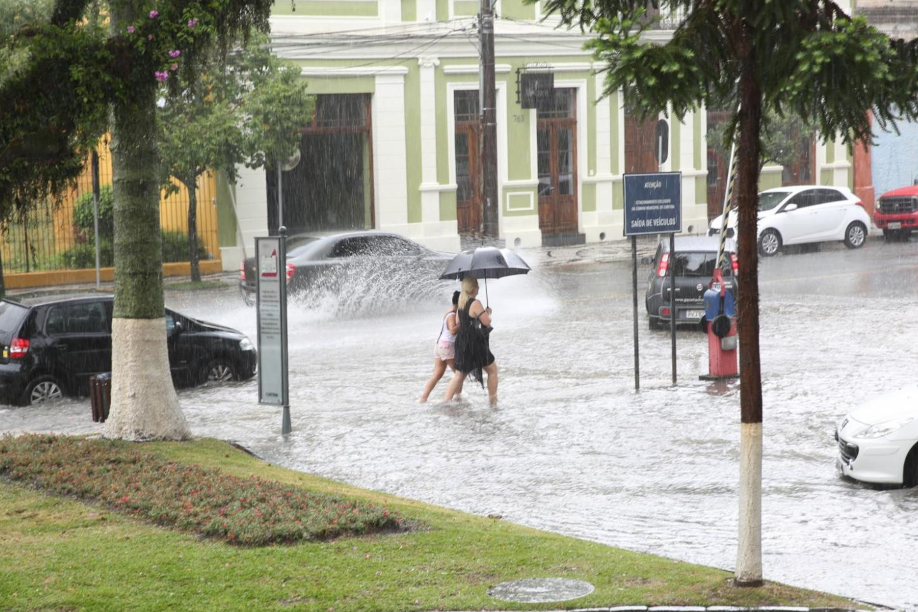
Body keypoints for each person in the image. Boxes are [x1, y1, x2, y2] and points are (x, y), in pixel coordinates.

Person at [444, 277, 498, 405]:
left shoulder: (461, 303)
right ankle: (493, 401)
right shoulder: (475, 303)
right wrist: (488, 313)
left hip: (461, 341)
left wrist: (478, 316)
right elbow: (486, 322)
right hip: (474, 342)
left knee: (460, 374)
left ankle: (446, 401)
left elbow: (459, 322)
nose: (479, 288)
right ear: (473, 288)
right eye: (477, 285)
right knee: (492, 370)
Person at [419, 291, 463, 403]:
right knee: (459, 373)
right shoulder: (453, 314)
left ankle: (423, 398)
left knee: (437, 374)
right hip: (447, 346)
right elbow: (452, 330)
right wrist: (463, 322)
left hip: (440, 345)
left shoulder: (450, 311)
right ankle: (456, 398)